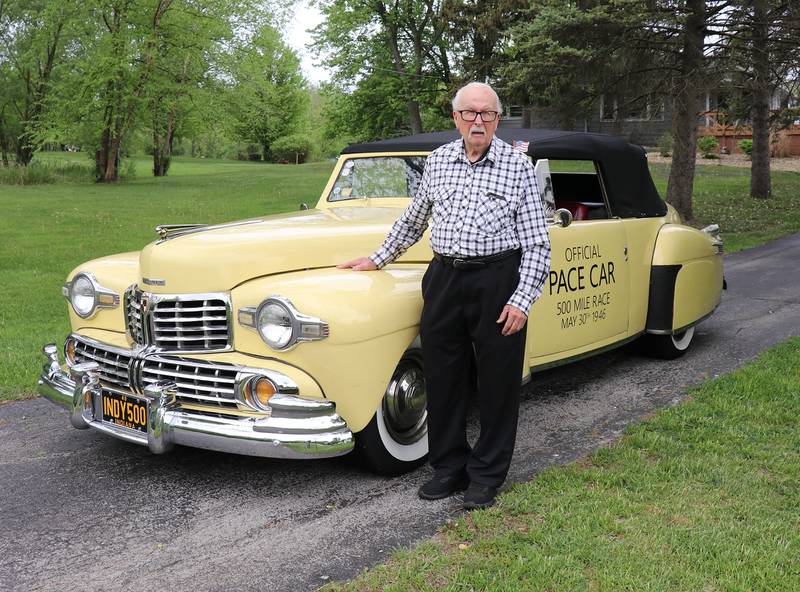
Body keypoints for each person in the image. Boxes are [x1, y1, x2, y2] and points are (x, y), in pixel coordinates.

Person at [338, 82, 551, 509]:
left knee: (496, 385)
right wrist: (378, 258)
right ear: (455, 118)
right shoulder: (437, 162)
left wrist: (521, 300)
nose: (478, 121)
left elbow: (537, 243)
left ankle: (486, 475)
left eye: (487, 114)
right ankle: (448, 467)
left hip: (497, 281)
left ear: (497, 121)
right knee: (443, 379)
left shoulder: (518, 167)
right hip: (444, 278)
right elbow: (415, 218)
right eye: (470, 113)